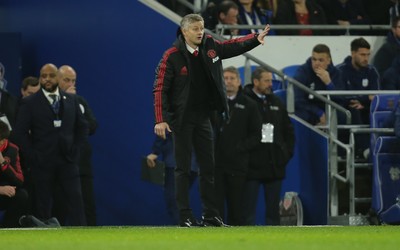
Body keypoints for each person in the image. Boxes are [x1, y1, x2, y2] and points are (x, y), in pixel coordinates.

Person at [153, 13, 270, 227]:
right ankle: (185, 216)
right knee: (183, 169)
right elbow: (160, 88)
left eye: (202, 28)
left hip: (204, 117)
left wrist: (254, 39)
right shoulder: (171, 55)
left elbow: (231, 45)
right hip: (182, 119)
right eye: (196, 29)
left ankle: (211, 215)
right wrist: (160, 120)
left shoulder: (210, 45)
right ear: (184, 31)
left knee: (208, 167)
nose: (201, 32)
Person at [14, 63, 88, 226]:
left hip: (68, 161)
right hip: (42, 163)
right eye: (43, 76)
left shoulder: (72, 100)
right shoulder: (30, 102)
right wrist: (33, 156)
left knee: (77, 205)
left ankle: (84, 241)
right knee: (43, 207)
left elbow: (83, 127)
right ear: (40, 78)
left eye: (51, 75)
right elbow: (19, 132)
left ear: (58, 78)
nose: (47, 79)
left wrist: (75, 150)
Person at [242, 67, 295, 225]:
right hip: (251, 166)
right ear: (256, 81)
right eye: (267, 80)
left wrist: (285, 153)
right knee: (247, 214)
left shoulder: (276, 101)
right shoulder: (244, 102)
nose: (270, 84)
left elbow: (288, 131)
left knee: (273, 214)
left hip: (274, 165)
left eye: (271, 80)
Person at [213, 66, 261, 225]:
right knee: (216, 207)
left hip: (238, 165)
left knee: (236, 207)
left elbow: (257, 134)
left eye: (232, 78)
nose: (228, 82)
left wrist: (240, 148)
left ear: (239, 81)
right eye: (225, 78)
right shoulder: (213, 103)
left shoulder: (250, 105)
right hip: (216, 164)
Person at [51, 65, 97, 226]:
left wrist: (73, 103)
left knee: (88, 206)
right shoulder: (51, 103)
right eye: (66, 80)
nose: (71, 84)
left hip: (82, 163)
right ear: (57, 80)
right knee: (60, 208)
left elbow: (92, 126)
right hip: (60, 162)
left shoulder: (80, 101)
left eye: (73, 81)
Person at [146, 134, 198, 224]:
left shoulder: (161, 119)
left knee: (174, 201)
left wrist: (155, 151)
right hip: (193, 162)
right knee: (179, 200)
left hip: (175, 160)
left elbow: (161, 126)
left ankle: (185, 229)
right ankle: (187, 226)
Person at [294, 44, 344, 125]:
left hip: (328, 109)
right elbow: (297, 100)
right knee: (300, 114)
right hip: (310, 108)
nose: (316, 63)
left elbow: (340, 101)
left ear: (328, 61)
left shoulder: (336, 73)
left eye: (321, 60)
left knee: (343, 115)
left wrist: (329, 83)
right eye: (314, 59)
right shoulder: (303, 71)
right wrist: (319, 112)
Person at [337, 37, 380, 125]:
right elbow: (342, 98)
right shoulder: (340, 71)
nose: (366, 58)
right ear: (353, 53)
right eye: (362, 55)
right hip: (346, 110)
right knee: (354, 112)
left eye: (368, 55)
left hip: (366, 109)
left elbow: (375, 97)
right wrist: (366, 98)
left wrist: (363, 104)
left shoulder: (372, 71)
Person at [0, 120, 29, 228]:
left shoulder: (13, 149)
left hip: (5, 191)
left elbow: (20, 181)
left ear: (2, 141)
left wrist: (3, 163)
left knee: (21, 195)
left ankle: (8, 228)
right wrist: (1, 189)